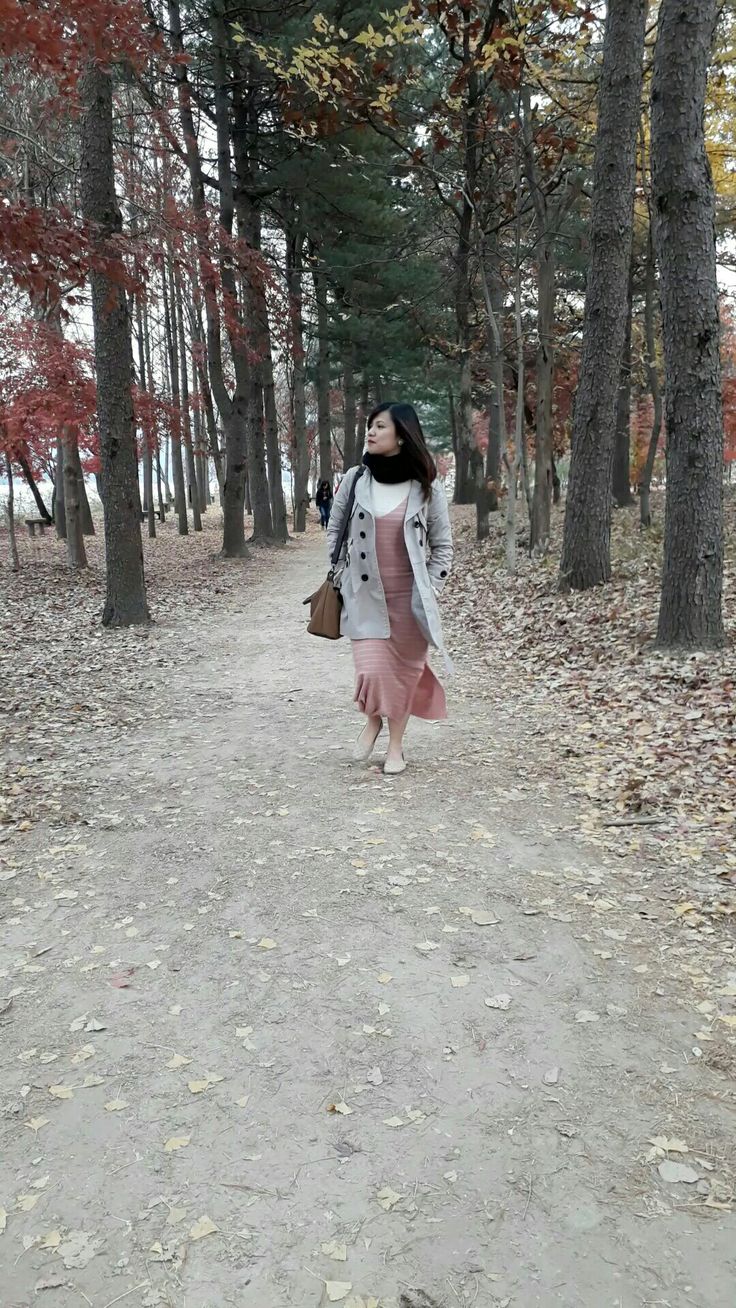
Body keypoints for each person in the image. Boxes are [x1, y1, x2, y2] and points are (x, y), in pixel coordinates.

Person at [327, 402, 453, 776]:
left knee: (403, 674)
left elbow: (443, 548)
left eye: (379, 426)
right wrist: (336, 573)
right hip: (365, 597)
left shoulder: (427, 488)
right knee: (371, 669)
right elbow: (335, 531)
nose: (371, 432)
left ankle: (396, 747)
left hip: (411, 602)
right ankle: (373, 718)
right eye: (370, 425)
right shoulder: (355, 480)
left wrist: (430, 587)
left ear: (402, 435)